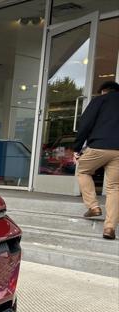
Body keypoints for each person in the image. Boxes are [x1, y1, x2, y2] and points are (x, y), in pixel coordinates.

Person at [73, 81, 119, 240]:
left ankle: (93, 207)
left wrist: (77, 148)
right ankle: (110, 228)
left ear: (104, 91)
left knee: (83, 171)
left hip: (99, 146)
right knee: (114, 187)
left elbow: (85, 124)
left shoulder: (100, 100)